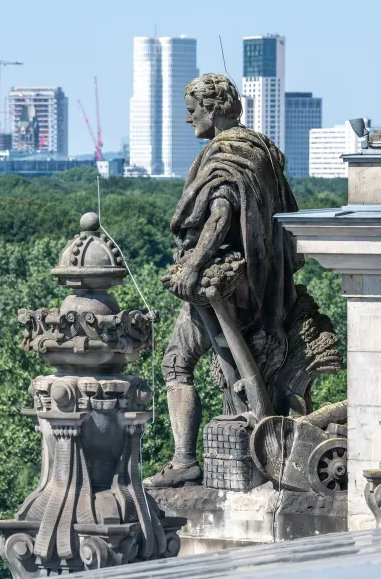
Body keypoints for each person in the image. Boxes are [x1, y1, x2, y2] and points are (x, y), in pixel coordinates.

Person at [146, 73, 302, 488]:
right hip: (260, 283)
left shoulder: (226, 154)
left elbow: (221, 212)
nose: (188, 119)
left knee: (176, 364)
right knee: (233, 370)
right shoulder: (261, 149)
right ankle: (248, 450)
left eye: (192, 110)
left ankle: (185, 460)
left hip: (224, 285)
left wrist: (194, 265)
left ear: (213, 109)